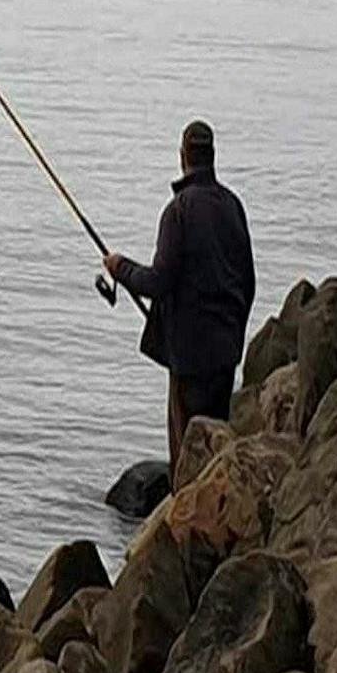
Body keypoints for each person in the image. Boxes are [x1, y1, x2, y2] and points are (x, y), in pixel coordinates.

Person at [102, 120, 256, 472]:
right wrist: (233, 334)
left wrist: (120, 267)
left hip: (189, 359)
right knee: (216, 450)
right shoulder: (233, 206)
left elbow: (158, 282)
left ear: (182, 156)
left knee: (187, 457)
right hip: (224, 353)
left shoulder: (179, 211)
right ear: (212, 156)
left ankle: (187, 520)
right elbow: (248, 282)